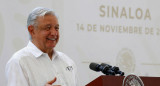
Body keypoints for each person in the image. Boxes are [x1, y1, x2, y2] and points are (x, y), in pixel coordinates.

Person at [5, 7, 78, 86]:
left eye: (56, 28)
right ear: (32, 30)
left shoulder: (67, 60)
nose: (54, 33)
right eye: (48, 28)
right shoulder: (19, 61)